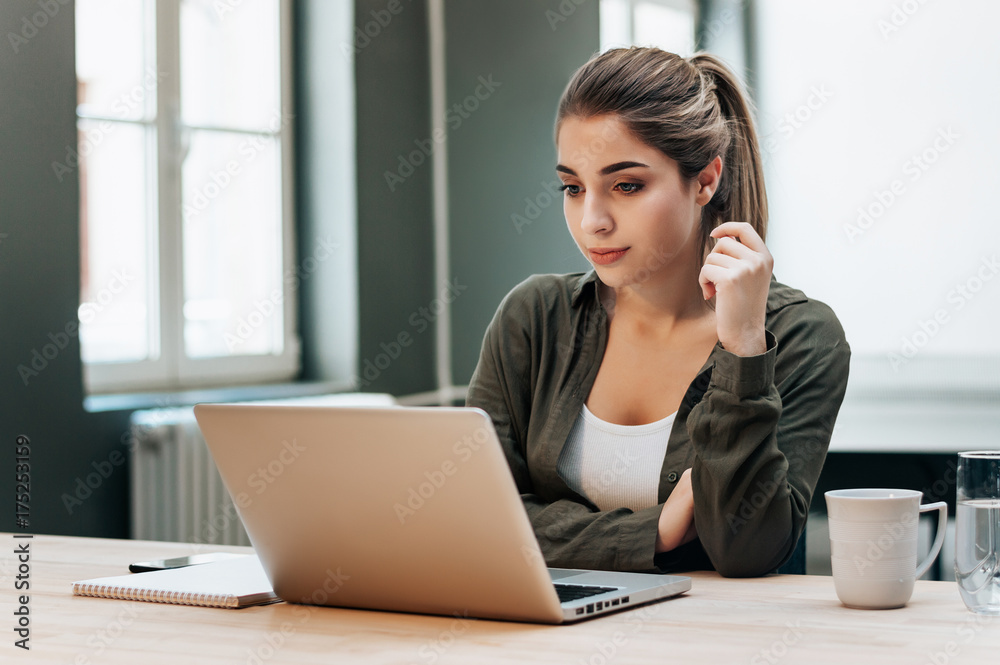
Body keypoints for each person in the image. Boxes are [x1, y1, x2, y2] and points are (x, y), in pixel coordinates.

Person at [465, 46, 851, 578]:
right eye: (573, 188)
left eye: (626, 185)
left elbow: (747, 551)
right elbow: (478, 523)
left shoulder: (801, 335)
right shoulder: (533, 318)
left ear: (705, 180)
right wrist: (657, 532)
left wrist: (742, 347)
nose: (591, 220)